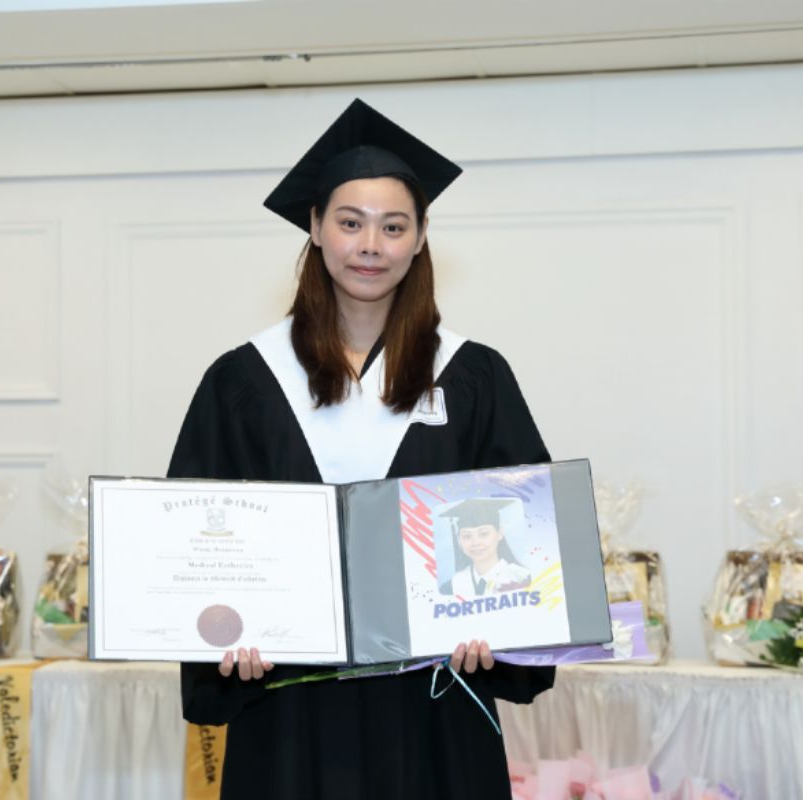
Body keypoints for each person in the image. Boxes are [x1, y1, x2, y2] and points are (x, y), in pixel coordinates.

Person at [167, 98, 554, 800]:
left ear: (421, 237)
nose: (370, 245)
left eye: (393, 226)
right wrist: (224, 637)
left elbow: (524, 529)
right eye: (350, 223)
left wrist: (499, 628)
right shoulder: (245, 380)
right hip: (290, 704)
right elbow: (199, 535)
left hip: (435, 701)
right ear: (315, 227)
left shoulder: (472, 376)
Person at [439, 498, 533, 597]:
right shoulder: (450, 587)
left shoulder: (522, 579)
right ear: (459, 540)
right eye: (467, 536)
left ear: (500, 533)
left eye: (483, 534)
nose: (475, 543)